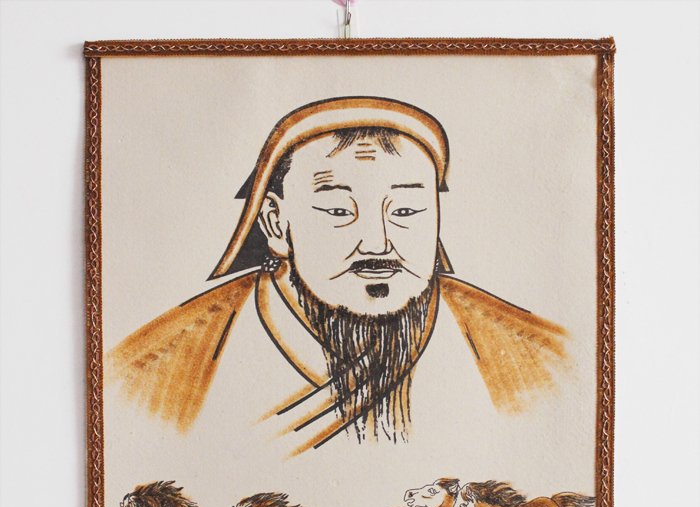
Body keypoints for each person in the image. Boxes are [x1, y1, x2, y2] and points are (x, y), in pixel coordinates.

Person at [107, 96, 567, 452]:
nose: (377, 243)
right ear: (275, 223)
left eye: (406, 210)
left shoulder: (532, 356)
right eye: (338, 210)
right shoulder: (157, 367)